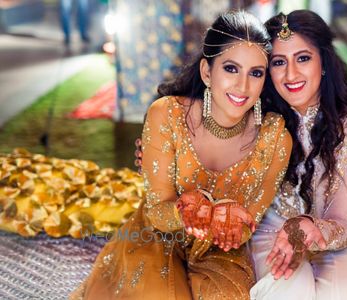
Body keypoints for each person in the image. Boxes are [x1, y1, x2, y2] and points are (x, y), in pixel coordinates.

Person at [71, 11, 292, 299]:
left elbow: (246, 227)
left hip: (219, 252)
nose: (243, 86)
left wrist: (226, 219)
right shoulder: (168, 115)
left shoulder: (274, 140)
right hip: (155, 237)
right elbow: (157, 211)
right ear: (206, 72)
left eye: (256, 73)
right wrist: (187, 211)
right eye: (230, 69)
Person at [250, 10, 347, 299]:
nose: (291, 74)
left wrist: (310, 229)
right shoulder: (258, 115)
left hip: (339, 238)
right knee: (290, 289)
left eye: (303, 58)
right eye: (279, 62)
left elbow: (343, 220)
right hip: (273, 230)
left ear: (324, 61)